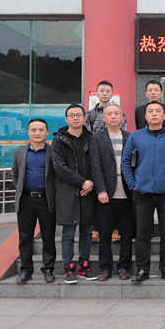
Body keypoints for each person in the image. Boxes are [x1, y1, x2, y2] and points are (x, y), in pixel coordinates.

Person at [122, 101, 165, 285]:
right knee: (142, 233)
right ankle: (142, 269)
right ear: (145, 116)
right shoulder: (136, 136)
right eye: (150, 111)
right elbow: (126, 162)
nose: (154, 114)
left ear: (164, 116)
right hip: (142, 193)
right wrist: (133, 184)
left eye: (158, 111)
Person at [51, 103, 97, 284]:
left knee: (87, 232)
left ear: (85, 118)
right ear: (66, 119)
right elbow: (59, 166)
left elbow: (97, 163)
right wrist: (81, 182)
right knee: (68, 233)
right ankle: (68, 268)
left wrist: (90, 183)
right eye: (72, 115)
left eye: (79, 115)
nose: (75, 118)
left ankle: (84, 266)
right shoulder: (58, 140)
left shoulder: (92, 138)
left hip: (88, 192)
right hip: (67, 192)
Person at [89, 102, 133, 281]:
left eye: (116, 113)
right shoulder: (97, 138)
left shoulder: (130, 137)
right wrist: (100, 189)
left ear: (121, 117)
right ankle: (105, 268)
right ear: (104, 118)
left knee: (126, 234)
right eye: (109, 114)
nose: (113, 116)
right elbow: (95, 166)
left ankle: (123, 267)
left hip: (127, 194)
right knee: (105, 234)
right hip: (105, 194)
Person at [12, 118, 56, 284]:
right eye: (34, 130)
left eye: (41, 130)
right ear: (28, 132)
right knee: (25, 237)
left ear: (47, 132)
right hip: (26, 200)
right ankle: (26, 270)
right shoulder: (19, 152)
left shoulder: (53, 152)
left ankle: (49, 269)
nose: (37, 133)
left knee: (48, 236)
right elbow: (15, 176)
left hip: (46, 200)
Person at [85, 80, 126, 243]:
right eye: (101, 90)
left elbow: (122, 131)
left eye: (107, 91)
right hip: (96, 152)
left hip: (114, 153)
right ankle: (96, 228)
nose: (104, 93)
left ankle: (115, 228)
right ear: (96, 93)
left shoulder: (119, 112)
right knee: (99, 193)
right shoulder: (90, 114)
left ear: (112, 93)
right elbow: (87, 134)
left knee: (116, 194)